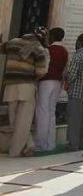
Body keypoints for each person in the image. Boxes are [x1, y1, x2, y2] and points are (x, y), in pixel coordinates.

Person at [1, 28, 50, 156]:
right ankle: (16, 151)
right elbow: (41, 71)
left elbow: (2, 48)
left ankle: (28, 145)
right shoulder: (39, 49)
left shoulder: (13, 42)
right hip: (27, 86)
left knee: (13, 118)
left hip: (11, 85)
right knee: (24, 120)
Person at [34, 27, 68, 152]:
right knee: (51, 112)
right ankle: (50, 143)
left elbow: (44, 67)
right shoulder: (64, 51)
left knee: (43, 111)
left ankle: (41, 144)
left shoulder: (48, 50)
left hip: (46, 81)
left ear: (52, 37)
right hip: (57, 82)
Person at [63, 33, 83, 152]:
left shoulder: (77, 56)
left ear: (79, 42)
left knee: (73, 119)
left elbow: (72, 75)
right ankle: (81, 143)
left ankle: (73, 144)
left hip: (75, 91)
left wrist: (66, 80)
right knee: (82, 119)